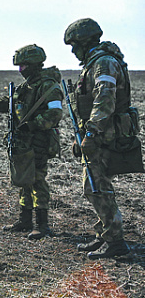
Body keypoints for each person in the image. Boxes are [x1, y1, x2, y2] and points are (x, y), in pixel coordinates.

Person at [0, 44, 63, 240]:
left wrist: (33, 125)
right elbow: (11, 104)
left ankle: (42, 225)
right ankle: (25, 220)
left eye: (24, 66)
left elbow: (55, 114)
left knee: (37, 181)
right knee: (24, 179)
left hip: (39, 141)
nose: (21, 71)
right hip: (24, 142)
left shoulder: (48, 86)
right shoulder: (27, 86)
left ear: (35, 65)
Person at [64, 18, 132, 259]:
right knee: (92, 186)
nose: (73, 51)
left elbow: (104, 101)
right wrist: (81, 135)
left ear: (84, 42)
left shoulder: (103, 63)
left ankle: (116, 243)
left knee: (98, 188)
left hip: (104, 135)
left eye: (74, 45)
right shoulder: (95, 63)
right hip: (98, 133)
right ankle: (104, 234)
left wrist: (91, 133)